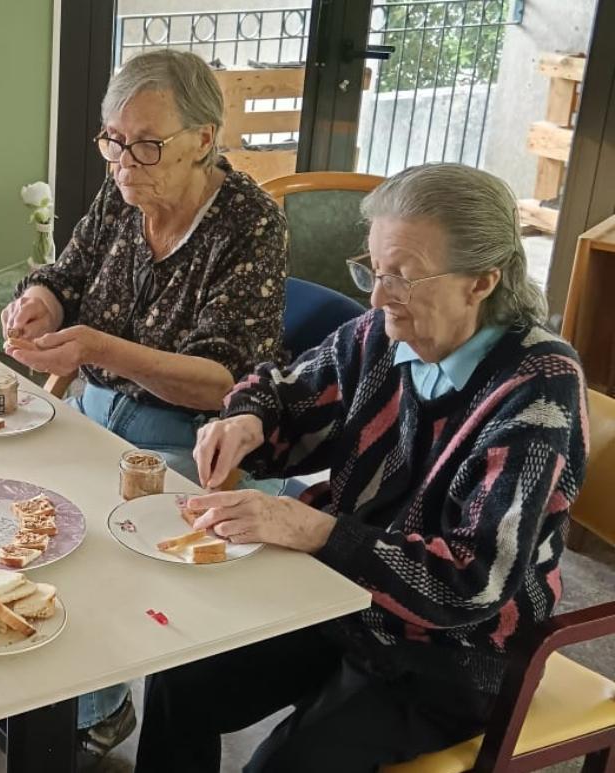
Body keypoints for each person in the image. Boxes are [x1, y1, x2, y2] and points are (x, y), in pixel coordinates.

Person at [136, 163, 589, 771]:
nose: (377, 298)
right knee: (179, 682)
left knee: (284, 764)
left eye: (401, 277)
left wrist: (312, 529)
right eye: (373, 271)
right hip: (342, 596)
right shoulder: (383, 333)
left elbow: (472, 584)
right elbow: (285, 390)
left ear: (481, 282)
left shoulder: (537, 390)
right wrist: (247, 420)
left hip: (454, 649)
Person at [0, 48, 289, 756]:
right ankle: (73, 696)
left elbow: (222, 380)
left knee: (91, 528)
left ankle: (88, 700)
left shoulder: (250, 225)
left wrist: (97, 346)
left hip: (194, 439)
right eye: (114, 140)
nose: (125, 161)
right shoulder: (124, 187)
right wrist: (39, 302)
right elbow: (66, 273)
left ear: (203, 138)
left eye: (147, 144)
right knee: (15, 500)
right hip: (97, 408)